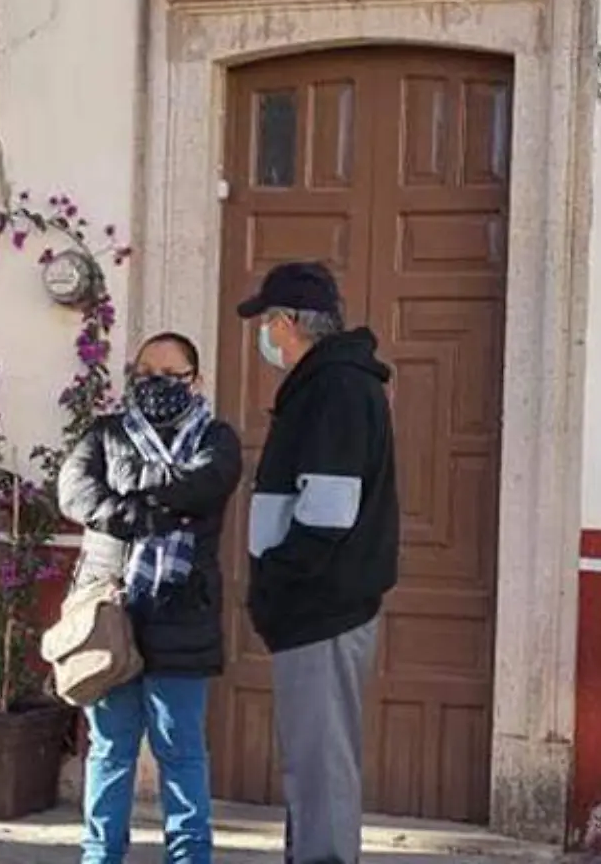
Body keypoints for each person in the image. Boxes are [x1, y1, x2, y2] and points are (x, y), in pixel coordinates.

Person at [58, 332, 242, 864]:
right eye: (145, 374)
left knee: (180, 751)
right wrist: (133, 512)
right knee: (110, 750)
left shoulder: (219, 438)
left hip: (183, 613)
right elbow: (75, 490)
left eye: (170, 374)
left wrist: (130, 491)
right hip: (110, 614)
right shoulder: (104, 433)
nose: (156, 384)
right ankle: (100, 857)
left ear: (196, 380)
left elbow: (205, 486)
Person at [236, 262, 399, 864]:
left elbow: (327, 512)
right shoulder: (329, 383)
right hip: (315, 605)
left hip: (320, 606)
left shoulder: (336, 389)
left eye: (266, 324)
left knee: (321, 762)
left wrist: (276, 582)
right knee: (311, 761)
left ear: (285, 323)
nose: (264, 339)